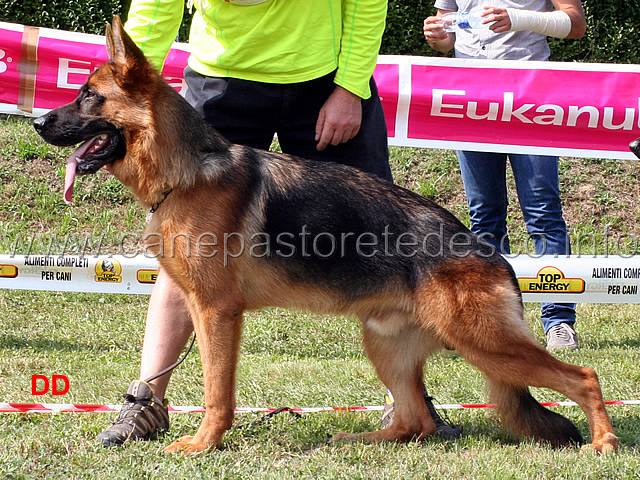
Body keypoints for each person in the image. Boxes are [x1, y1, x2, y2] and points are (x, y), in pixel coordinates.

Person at [98, 0, 459, 446]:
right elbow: (155, 10)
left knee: (380, 239)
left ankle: (406, 404)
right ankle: (147, 402)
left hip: (324, 81)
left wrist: (349, 87)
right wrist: (127, 86)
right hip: (221, 82)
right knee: (188, 249)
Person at [423, 0, 586, 350]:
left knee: (542, 210)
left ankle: (558, 321)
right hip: (472, 96)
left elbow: (575, 23)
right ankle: (494, 318)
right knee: (484, 214)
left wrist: (518, 19)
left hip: (532, 95)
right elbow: (445, 32)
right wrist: (437, 35)